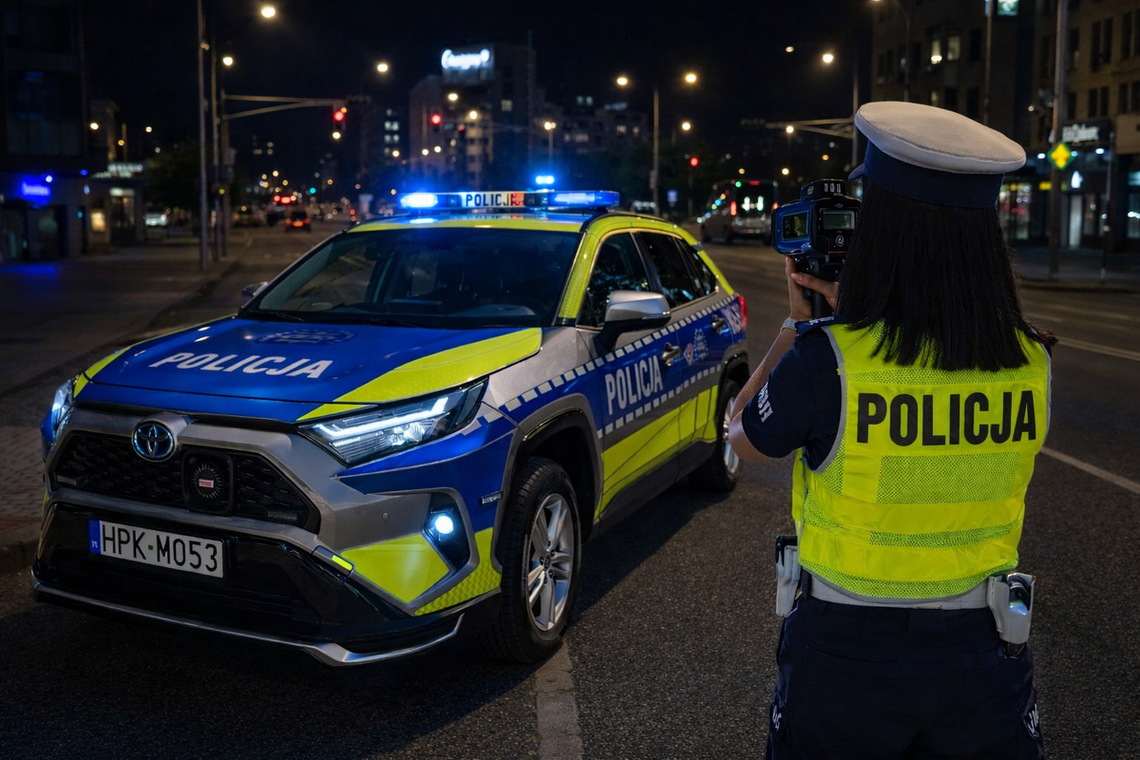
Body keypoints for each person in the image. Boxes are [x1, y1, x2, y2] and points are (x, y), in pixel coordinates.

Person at [728, 101, 1053, 759]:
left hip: (846, 657)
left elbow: (741, 434)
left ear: (882, 231)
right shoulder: (1031, 359)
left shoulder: (833, 358)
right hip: (985, 655)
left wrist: (800, 323)